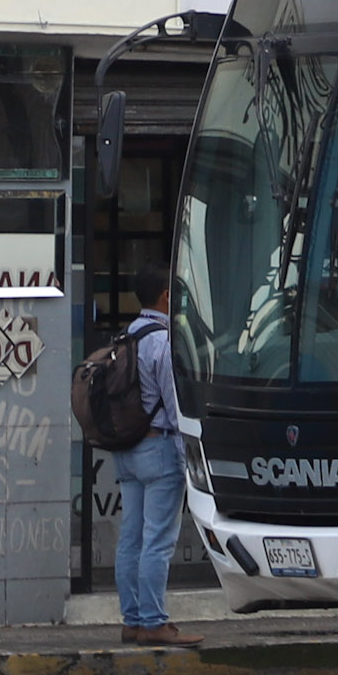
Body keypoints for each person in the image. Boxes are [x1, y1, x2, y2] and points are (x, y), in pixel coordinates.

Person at [113, 265, 202, 649]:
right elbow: (175, 403)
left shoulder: (125, 337)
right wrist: (189, 460)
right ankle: (154, 622)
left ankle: (132, 620)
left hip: (127, 449)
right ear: (167, 296)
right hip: (159, 448)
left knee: (130, 538)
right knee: (158, 541)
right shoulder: (163, 342)